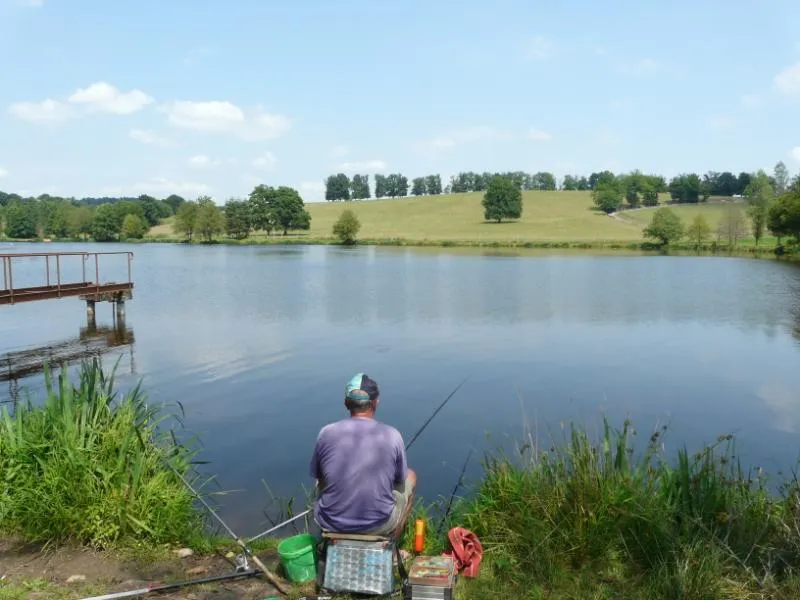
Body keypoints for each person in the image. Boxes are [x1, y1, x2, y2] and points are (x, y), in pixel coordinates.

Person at [309, 373, 416, 539]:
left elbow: (319, 478)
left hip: (330, 522)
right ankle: (393, 542)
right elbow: (399, 480)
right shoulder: (392, 435)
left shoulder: (326, 433)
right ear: (375, 403)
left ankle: (326, 541)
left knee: (320, 481)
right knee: (411, 476)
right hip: (379, 524)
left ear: (346, 403)